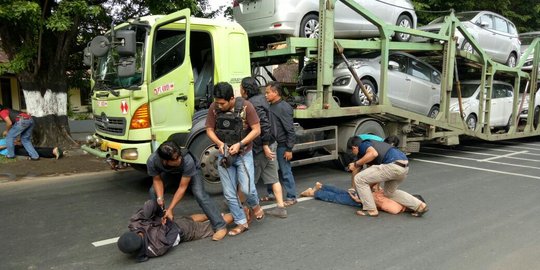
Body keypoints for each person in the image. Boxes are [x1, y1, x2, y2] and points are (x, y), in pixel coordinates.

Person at [205, 82, 263, 236]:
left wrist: (240, 144)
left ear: (231, 98)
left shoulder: (246, 106)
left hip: (243, 154)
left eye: (222, 103)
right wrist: (219, 144)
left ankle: (255, 205)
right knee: (230, 194)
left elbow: (257, 130)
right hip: (224, 156)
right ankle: (241, 222)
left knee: (247, 189)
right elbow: (209, 129)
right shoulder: (214, 107)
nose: (218, 105)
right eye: (216, 102)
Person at [146, 140, 228, 241]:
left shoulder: (187, 160)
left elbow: (182, 187)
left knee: (199, 194)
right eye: (175, 159)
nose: (179, 159)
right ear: (165, 161)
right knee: (153, 192)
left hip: (192, 171)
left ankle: (220, 226)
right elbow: (157, 180)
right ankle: (161, 220)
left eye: (179, 156)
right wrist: (160, 198)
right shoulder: (152, 161)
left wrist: (170, 208)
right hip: (170, 173)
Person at [117, 200, 235, 262]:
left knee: (214, 226)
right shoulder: (135, 224)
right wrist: (163, 219)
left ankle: (240, 213)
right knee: (190, 219)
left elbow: (150, 204)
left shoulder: (153, 249)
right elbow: (150, 204)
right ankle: (222, 214)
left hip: (180, 228)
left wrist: (162, 217)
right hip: (175, 225)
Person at [240, 77, 287, 218]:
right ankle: (281, 207)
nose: (240, 90)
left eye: (241, 87)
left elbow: (264, 126)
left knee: (248, 178)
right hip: (270, 143)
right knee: (273, 178)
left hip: (262, 147)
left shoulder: (253, 103)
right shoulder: (262, 99)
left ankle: (241, 205)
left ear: (245, 89)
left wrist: (265, 145)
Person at [347, 136, 429, 217]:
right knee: (389, 193)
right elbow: (375, 177)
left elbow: (373, 154)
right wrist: (365, 193)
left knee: (359, 178)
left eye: (352, 151)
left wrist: (355, 164)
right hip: (404, 166)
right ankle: (420, 206)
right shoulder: (377, 147)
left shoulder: (363, 144)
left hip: (393, 165)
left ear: (354, 148)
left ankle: (371, 210)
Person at [265, 81, 297, 206]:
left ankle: (291, 196)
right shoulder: (270, 106)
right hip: (271, 144)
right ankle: (272, 194)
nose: (266, 95)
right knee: (270, 171)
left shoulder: (284, 107)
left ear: (276, 92)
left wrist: (289, 149)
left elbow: (290, 130)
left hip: (282, 145)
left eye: (268, 92)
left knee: (285, 171)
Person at [300, 182, 409, 215]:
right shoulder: (397, 208)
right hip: (365, 200)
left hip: (368, 192)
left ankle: (322, 186)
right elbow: (380, 205)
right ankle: (314, 193)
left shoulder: (400, 196)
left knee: (343, 192)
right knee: (338, 198)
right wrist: (361, 201)